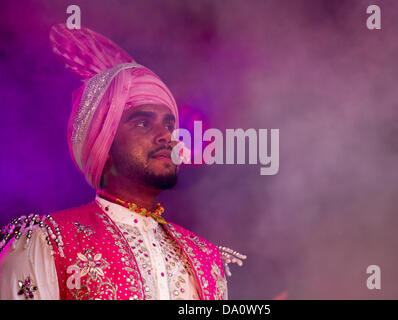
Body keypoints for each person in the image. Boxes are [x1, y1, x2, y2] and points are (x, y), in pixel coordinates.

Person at [0, 24, 245, 300]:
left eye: (169, 124)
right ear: (104, 142)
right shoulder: (47, 243)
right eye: (143, 123)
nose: (166, 136)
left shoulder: (204, 259)